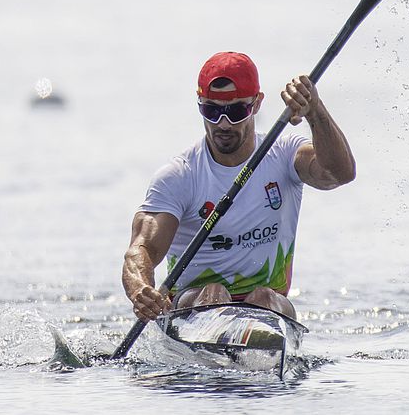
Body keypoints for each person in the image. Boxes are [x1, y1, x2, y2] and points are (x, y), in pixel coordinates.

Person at [121, 51, 355, 322]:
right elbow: (141, 249)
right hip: (192, 306)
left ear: (256, 104)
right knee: (213, 293)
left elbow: (340, 173)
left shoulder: (285, 156)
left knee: (263, 298)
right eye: (212, 110)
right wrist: (141, 290)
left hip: (268, 307)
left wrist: (315, 111)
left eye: (235, 111)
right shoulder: (179, 177)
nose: (222, 123)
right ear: (200, 105)